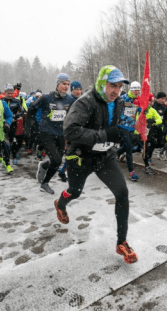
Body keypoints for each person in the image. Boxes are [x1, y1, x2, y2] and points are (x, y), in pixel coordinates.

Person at [53, 65, 138, 264]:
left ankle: (122, 242)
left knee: (122, 194)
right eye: (112, 86)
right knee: (75, 191)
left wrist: (125, 130)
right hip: (81, 157)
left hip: (104, 157)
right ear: (101, 84)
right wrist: (105, 135)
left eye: (119, 87)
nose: (116, 91)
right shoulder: (85, 102)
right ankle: (61, 203)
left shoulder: (118, 103)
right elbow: (70, 131)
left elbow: (117, 127)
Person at [26, 73, 74, 194]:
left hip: (61, 134)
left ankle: (44, 165)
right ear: (57, 84)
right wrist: (33, 126)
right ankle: (45, 183)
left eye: (68, 84)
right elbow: (31, 108)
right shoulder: (46, 98)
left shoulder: (69, 100)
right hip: (47, 133)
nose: (66, 86)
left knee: (56, 160)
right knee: (57, 161)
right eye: (63, 84)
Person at [117, 81, 141, 181]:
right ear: (131, 89)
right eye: (135, 90)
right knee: (128, 148)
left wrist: (143, 110)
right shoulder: (123, 98)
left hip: (132, 126)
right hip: (123, 126)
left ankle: (115, 154)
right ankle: (131, 172)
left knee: (129, 147)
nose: (137, 92)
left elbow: (140, 111)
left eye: (138, 90)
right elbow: (116, 110)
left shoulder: (139, 100)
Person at [134, 94, 163, 174]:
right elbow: (137, 121)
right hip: (140, 133)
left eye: (152, 101)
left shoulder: (152, 110)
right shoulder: (140, 109)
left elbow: (159, 119)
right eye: (150, 101)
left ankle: (147, 158)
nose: (152, 103)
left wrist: (153, 122)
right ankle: (147, 166)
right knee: (145, 149)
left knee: (153, 144)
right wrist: (145, 122)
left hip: (149, 133)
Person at [3, 84, 25, 164]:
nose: (10, 95)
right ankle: (5, 157)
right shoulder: (1, 101)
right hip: (4, 123)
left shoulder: (16, 101)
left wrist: (15, 117)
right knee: (5, 141)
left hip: (13, 123)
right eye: (8, 93)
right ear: (5, 93)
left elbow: (22, 111)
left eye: (11, 93)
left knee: (13, 141)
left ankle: (14, 155)